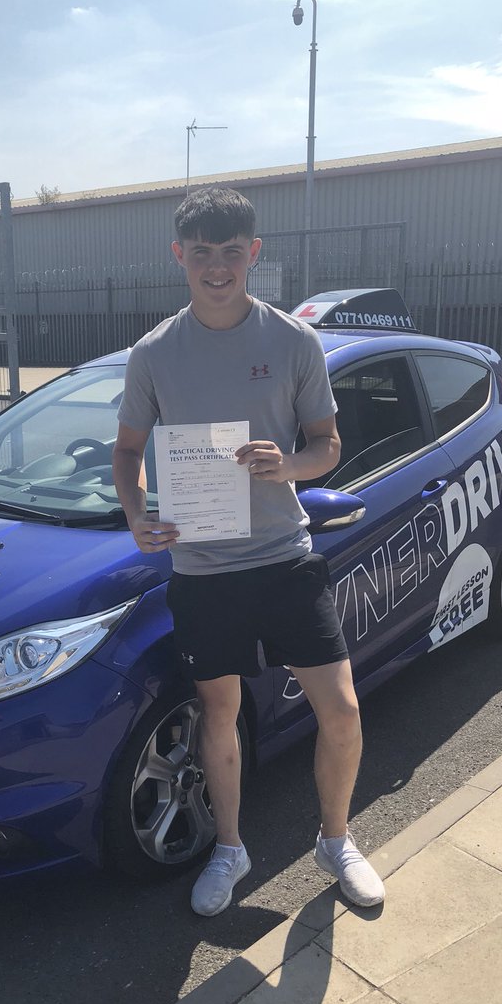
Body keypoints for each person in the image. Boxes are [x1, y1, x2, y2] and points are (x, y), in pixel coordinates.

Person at [112, 186, 385, 917]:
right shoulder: (154, 353)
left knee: (342, 709)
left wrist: (287, 465)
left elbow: (328, 445)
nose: (217, 267)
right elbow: (127, 453)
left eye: (231, 252)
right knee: (219, 714)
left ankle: (335, 841)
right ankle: (229, 848)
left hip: (284, 557)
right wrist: (137, 514)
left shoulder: (293, 342)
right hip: (203, 569)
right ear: (179, 256)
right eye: (201, 252)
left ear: (254, 254)